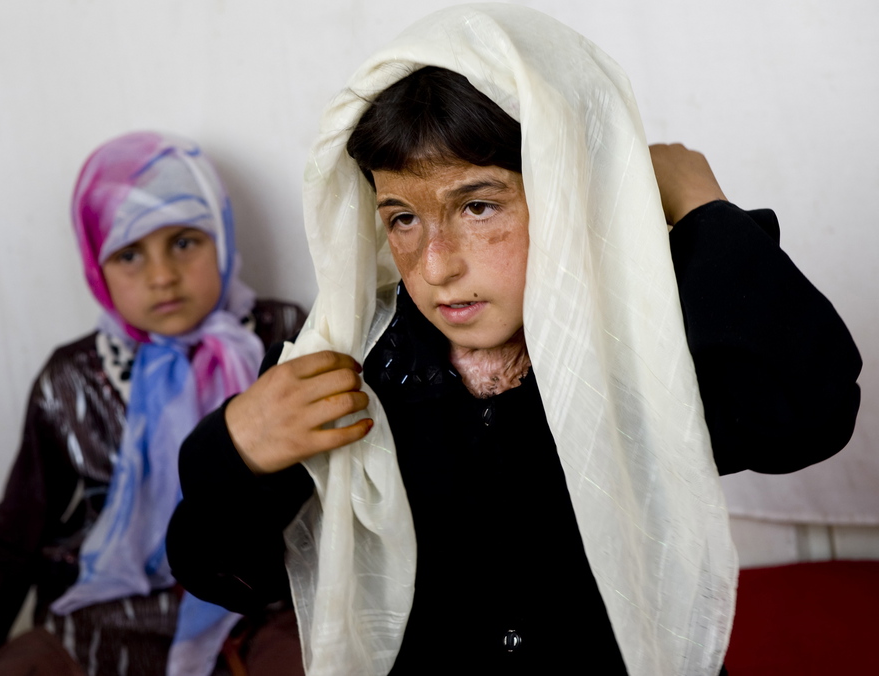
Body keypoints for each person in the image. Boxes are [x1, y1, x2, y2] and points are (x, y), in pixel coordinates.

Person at [166, 6, 861, 675]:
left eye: (479, 205)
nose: (437, 264)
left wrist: (706, 214)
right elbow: (223, 575)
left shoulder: (642, 345)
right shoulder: (354, 363)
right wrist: (235, 451)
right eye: (403, 217)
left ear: (569, 192)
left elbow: (806, 415)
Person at [0, 132, 304, 676]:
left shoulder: (284, 340)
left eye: (185, 242)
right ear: (95, 265)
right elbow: (14, 534)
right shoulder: (71, 382)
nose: (162, 275)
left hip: (254, 599)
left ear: (222, 238)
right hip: (106, 612)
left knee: (320, 660)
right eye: (129, 254)